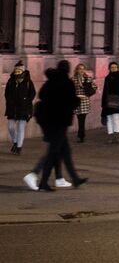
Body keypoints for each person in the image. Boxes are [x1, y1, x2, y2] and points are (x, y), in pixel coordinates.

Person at [24, 62, 83, 191]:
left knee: (64, 150)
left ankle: (73, 178)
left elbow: (42, 95)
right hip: (59, 121)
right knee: (53, 152)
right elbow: (71, 102)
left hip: (47, 119)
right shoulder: (67, 83)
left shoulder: (50, 81)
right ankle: (38, 177)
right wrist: (78, 100)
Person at [6, 62, 36, 154]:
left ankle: (19, 147)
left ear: (22, 71)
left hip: (24, 108)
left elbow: (33, 93)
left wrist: (26, 100)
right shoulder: (11, 81)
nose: (17, 73)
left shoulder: (27, 81)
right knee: (11, 127)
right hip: (12, 108)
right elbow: (7, 93)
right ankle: (15, 142)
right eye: (16, 71)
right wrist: (9, 101)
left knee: (20, 128)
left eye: (19, 71)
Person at [100, 62, 119, 142]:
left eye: (115, 67)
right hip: (108, 100)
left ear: (117, 68)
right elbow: (105, 90)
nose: (113, 68)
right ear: (109, 68)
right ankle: (110, 136)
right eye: (112, 67)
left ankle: (116, 136)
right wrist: (103, 103)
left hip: (117, 99)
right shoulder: (107, 77)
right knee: (109, 119)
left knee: (116, 118)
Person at [73, 64, 96, 143]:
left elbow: (95, 87)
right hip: (77, 101)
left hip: (85, 101)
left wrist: (88, 92)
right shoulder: (73, 79)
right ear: (77, 70)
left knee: (82, 119)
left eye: (83, 69)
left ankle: (81, 136)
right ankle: (81, 135)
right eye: (80, 69)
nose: (81, 70)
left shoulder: (88, 78)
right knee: (80, 119)